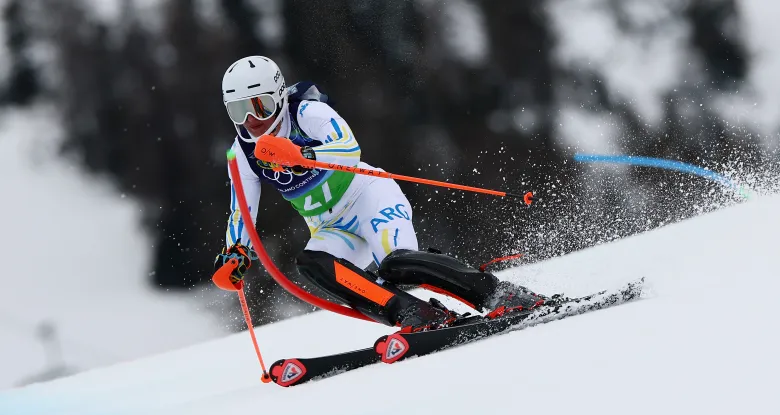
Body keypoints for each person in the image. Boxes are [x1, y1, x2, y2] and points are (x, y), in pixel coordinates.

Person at [212, 56, 545, 332]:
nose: (252, 121)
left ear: (280, 97)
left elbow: (348, 150)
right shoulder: (241, 153)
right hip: (332, 226)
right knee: (312, 264)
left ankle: (500, 293)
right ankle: (417, 314)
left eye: (260, 106)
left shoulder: (307, 114)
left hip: (369, 197)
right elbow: (242, 210)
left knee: (396, 263)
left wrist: (303, 156)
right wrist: (235, 251)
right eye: (239, 111)